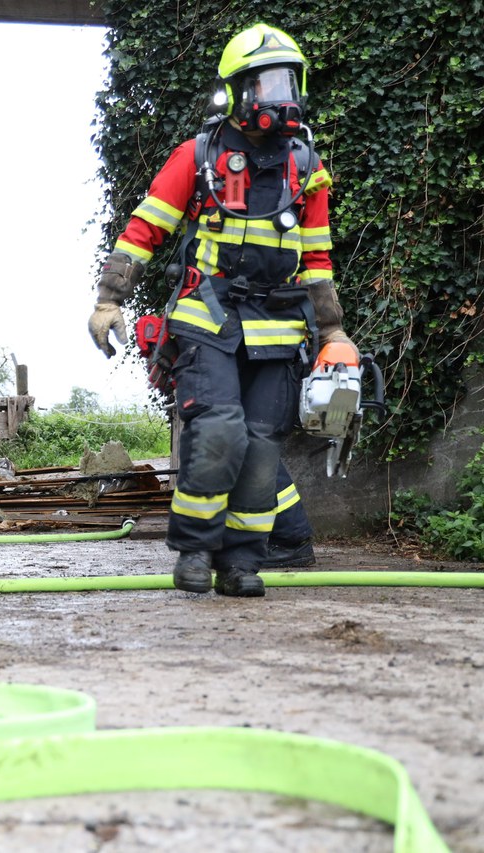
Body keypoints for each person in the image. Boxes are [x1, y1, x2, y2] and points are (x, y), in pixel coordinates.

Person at [88, 23, 354, 596]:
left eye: (286, 82)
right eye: (264, 84)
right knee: (219, 433)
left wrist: (332, 331)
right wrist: (110, 299)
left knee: (261, 447)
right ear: (235, 92)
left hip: (281, 325)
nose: (277, 97)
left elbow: (318, 257)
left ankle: (241, 563)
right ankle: (193, 553)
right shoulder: (200, 155)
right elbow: (145, 229)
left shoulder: (307, 166)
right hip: (208, 316)